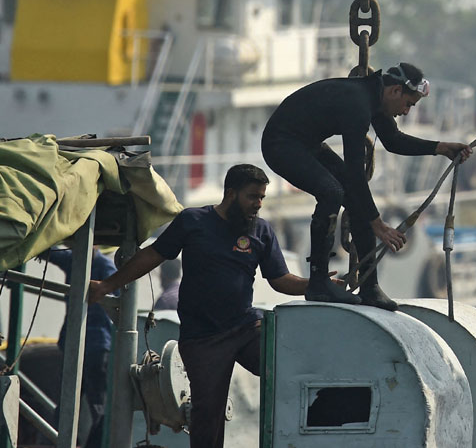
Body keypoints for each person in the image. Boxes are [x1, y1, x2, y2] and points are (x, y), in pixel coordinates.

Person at [86, 164, 310, 448]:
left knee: (287, 368)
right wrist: (107, 285)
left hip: (244, 328)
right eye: (253, 196)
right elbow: (153, 255)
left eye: (262, 197)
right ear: (231, 193)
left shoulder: (261, 230)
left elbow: (280, 280)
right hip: (202, 338)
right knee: (208, 415)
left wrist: (314, 285)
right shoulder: (193, 221)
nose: (259, 204)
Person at [261, 62, 471, 311]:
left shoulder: (376, 98)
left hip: (306, 142)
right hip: (281, 144)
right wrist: (377, 223)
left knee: (352, 196)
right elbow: (354, 173)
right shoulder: (357, 104)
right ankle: (318, 281)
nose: (406, 112)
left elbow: (393, 141)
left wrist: (441, 147)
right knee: (333, 192)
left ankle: (370, 287)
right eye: (408, 104)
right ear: (395, 91)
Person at [44, 248, 117, 448]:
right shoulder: (79, 260)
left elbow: (48, 252)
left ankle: (76, 443)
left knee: (89, 404)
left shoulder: (97, 265)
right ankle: (69, 442)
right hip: (85, 345)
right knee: (77, 403)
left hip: (89, 346)